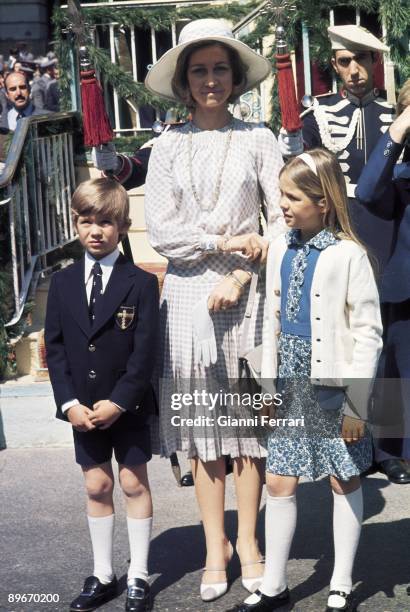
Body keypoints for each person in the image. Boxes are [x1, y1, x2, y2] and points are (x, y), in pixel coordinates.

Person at [143, 18, 285, 602]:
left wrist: (244, 270)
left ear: (235, 76)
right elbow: (164, 233)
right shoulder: (167, 145)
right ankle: (212, 546)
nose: (210, 80)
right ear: (183, 80)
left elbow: (279, 219)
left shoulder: (260, 137)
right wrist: (224, 244)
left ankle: (248, 540)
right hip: (185, 298)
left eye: (220, 68)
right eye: (198, 70)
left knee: (246, 426)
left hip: (245, 294)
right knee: (203, 428)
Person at [230, 149, 383, 612]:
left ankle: (340, 582)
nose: (283, 204)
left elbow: (368, 334)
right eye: (281, 194)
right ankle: (273, 585)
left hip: (336, 387)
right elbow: (272, 323)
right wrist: (270, 388)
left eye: (293, 196)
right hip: (290, 383)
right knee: (279, 482)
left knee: (343, 479)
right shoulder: (279, 247)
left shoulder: (349, 256)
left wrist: (356, 405)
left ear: (324, 202)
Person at [45, 178, 159, 612]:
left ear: (123, 227)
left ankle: (139, 576)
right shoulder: (62, 283)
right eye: (86, 221)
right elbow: (54, 348)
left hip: (124, 405)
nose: (96, 230)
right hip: (83, 409)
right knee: (97, 484)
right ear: (76, 224)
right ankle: (104, 574)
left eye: (106, 223)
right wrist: (69, 403)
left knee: (132, 482)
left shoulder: (141, 283)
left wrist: (120, 400)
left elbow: (145, 351)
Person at [278, 25, 395, 270]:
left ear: (374, 59)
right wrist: (293, 146)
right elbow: (303, 156)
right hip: (339, 225)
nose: (353, 70)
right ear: (334, 65)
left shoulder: (395, 110)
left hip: (389, 223)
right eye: (344, 62)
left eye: (360, 58)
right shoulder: (319, 111)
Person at [356, 80, 410, 484]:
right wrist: (397, 131)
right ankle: (389, 451)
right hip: (406, 290)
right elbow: (368, 190)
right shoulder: (402, 174)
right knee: (397, 376)